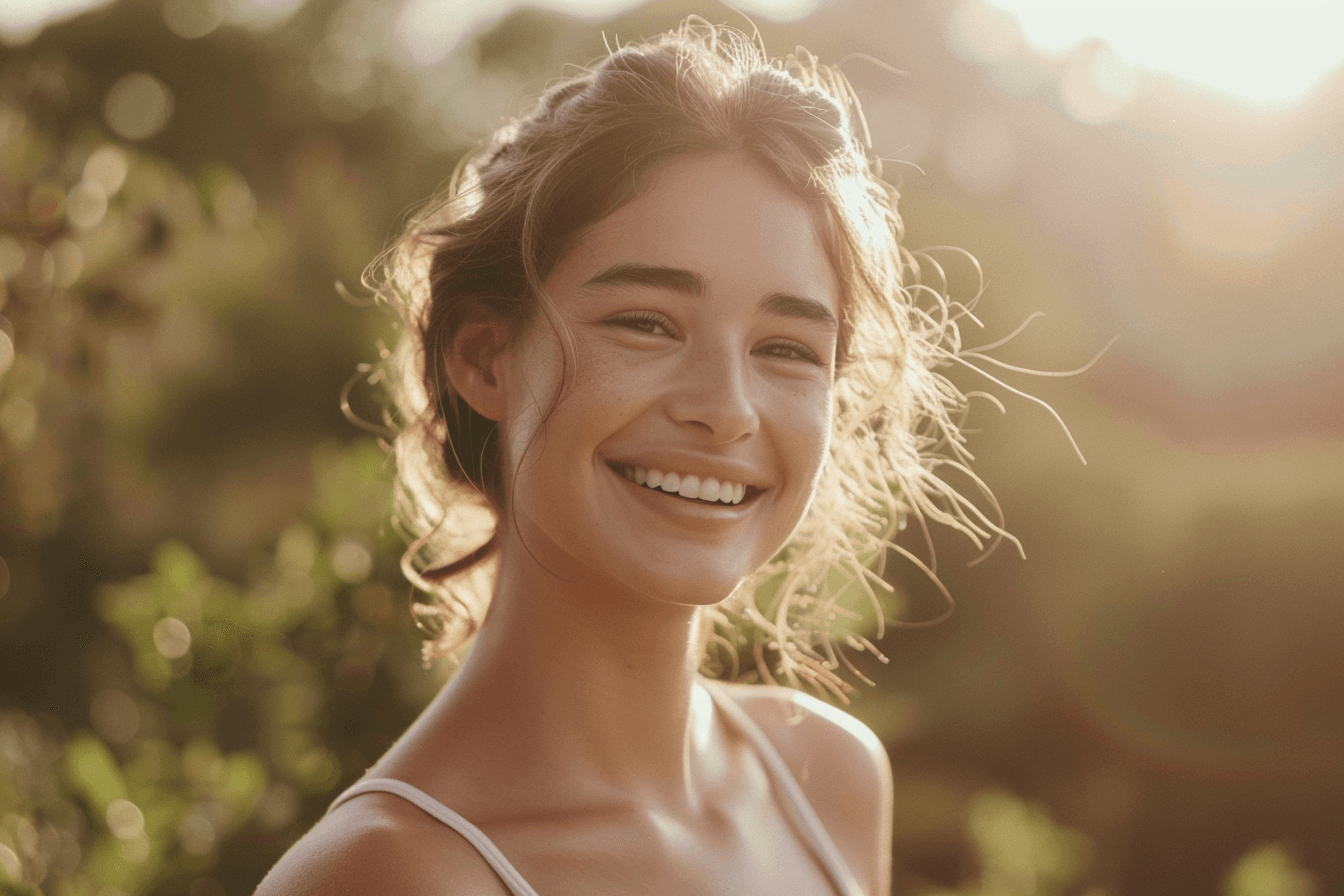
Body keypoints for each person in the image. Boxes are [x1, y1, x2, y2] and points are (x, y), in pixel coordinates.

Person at [258, 16, 1008, 896]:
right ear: (484, 358)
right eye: (647, 324)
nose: (726, 411)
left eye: (787, 348)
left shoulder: (829, 780)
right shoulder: (390, 874)